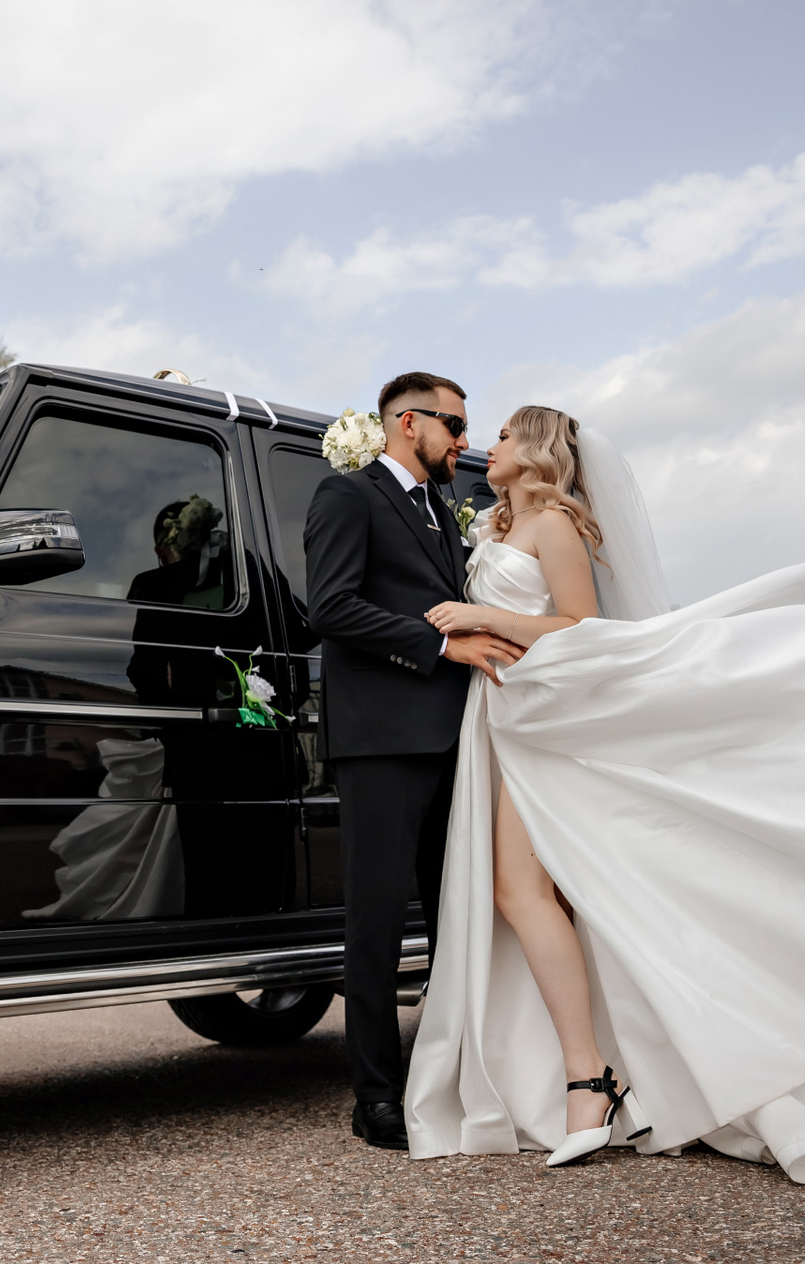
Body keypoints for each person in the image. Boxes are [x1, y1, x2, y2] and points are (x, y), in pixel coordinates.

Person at [403, 405, 805, 1180]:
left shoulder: (554, 523)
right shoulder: (494, 527)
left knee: (522, 893)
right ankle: (595, 1074)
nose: (492, 444)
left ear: (540, 448)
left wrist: (482, 615)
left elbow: (582, 625)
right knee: (530, 895)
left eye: (508, 435)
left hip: (547, 720)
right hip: (502, 717)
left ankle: (592, 1080)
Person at [303, 372, 527, 1151]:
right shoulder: (348, 495)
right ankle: (375, 1095)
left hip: (455, 738)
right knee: (375, 920)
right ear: (408, 422)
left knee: (453, 913)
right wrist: (440, 646)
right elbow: (330, 607)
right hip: (383, 741)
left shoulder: (441, 508)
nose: (465, 441)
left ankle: (453, 1075)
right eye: (455, 426)